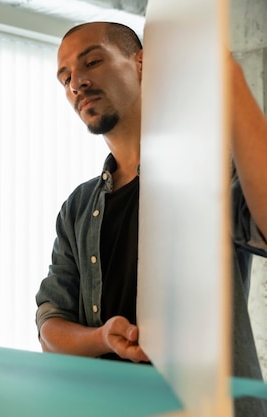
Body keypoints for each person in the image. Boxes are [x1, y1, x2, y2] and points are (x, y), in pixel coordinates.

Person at [35, 22, 267, 415]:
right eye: (65, 78)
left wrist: (227, 75)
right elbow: (49, 326)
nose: (77, 83)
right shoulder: (77, 206)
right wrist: (104, 338)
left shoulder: (205, 169)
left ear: (142, 63)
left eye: (92, 61)